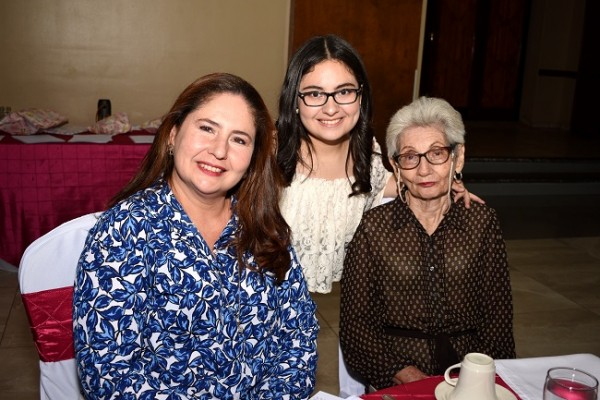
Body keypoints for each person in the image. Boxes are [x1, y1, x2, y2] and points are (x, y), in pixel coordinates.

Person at [73, 73, 319, 399]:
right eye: (207, 128)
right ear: (173, 134)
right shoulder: (124, 231)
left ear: (252, 157)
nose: (219, 151)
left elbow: (299, 336)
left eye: (239, 139)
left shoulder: (264, 227)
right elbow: (108, 375)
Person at [276, 34, 480, 295]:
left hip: (308, 313)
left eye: (344, 92)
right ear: (295, 99)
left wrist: (446, 184)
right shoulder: (269, 151)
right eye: (315, 94)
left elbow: (392, 184)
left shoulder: (366, 152)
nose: (331, 108)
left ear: (361, 96)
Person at [339, 96, 516, 390]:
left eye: (436, 153)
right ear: (396, 166)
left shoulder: (481, 222)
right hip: (396, 376)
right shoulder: (374, 228)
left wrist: (478, 378)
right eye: (410, 156)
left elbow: (497, 316)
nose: (423, 170)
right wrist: (405, 376)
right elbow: (356, 326)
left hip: (469, 374)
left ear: (457, 158)